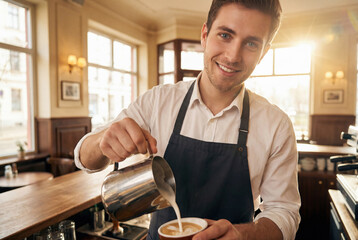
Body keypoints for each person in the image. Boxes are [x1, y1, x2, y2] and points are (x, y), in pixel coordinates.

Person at [74, 0, 301, 239]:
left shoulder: (276, 125)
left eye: (252, 43)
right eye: (225, 35)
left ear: (263, 52)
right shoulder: (158, 101)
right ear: (205, 34)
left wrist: (244, 235)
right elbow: (84, 160)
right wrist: (103, 142)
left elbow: (284, 212)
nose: (233, 56)